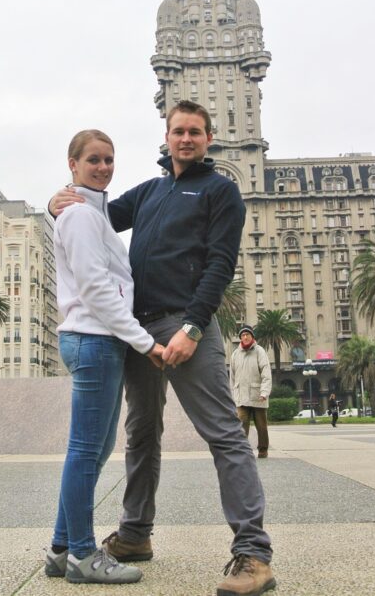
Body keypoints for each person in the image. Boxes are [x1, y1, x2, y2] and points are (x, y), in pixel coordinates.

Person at [51, 100, 275, 596]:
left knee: (223, 433)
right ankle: (134, 535)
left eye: (195, 131)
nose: (186, 139)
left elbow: (220, 263)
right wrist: (55, 203)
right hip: (137, 331)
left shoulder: (219, 191)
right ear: (167, 137)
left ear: (208, 139)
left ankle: (254, 554)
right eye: (178, 131)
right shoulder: (150, 191)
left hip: (185, 326)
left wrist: (194, 327)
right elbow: (96, 212)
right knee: (142, 434)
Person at [44, 129, 166, 585]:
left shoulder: (91, 214)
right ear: (72, 165)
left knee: (94, 450)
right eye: (93, 160)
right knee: (85, 451)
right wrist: (144, 341)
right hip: (94, 338)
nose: (103, 167)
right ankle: (80, 554)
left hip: (100, 339)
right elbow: (95, 287)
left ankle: (60, 548)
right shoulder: (78, 216)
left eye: (109, 159)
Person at [229, 325, 272, 458]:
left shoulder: (260, 351)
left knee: (261, 426)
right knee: (241, 424)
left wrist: (264, 392)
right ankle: (242, 450)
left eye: (247, 334)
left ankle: (263, 449)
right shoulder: (235, 354)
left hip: (258, 396)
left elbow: (266, 373)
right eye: (243, 335)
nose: (245, 337)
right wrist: (233, 395)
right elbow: (232, 377)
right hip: (241, 397)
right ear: (240, 338)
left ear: (252, 337)